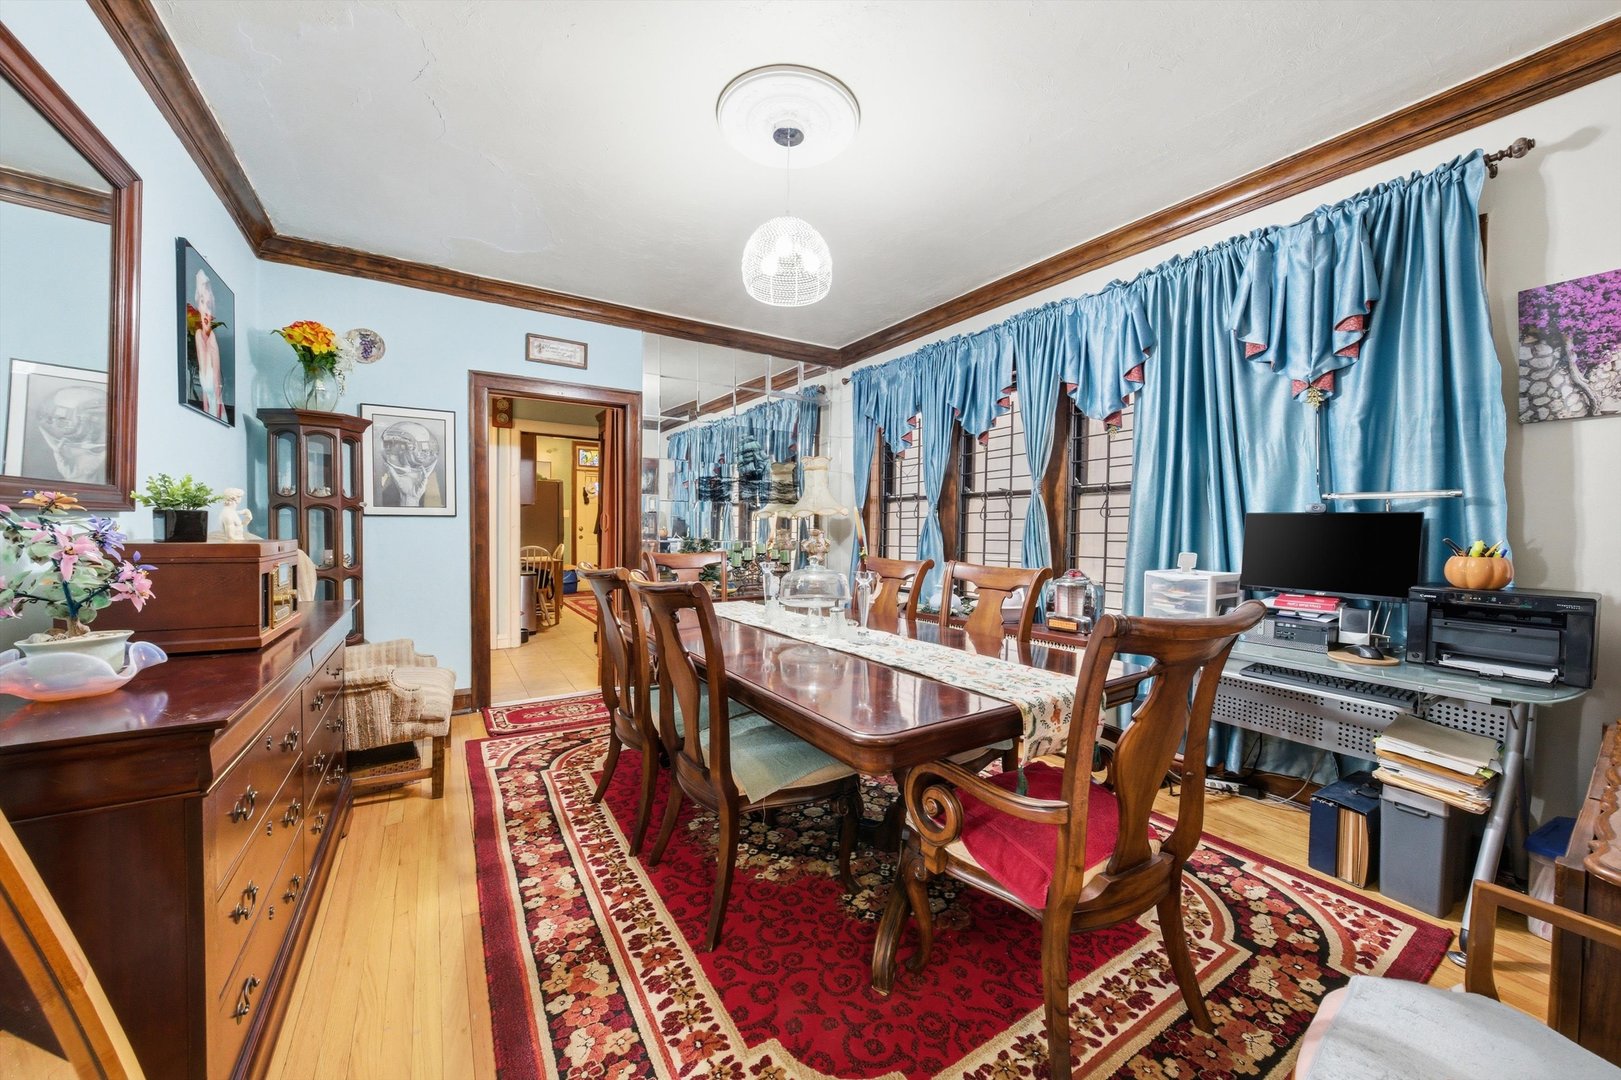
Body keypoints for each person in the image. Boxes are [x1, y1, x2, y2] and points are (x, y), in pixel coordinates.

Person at [192, 270, 227, 421]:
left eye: (208, 304)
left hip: (217, 410)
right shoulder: (199, 336)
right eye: (201, 302)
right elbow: (205, 390)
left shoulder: (212, 339)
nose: (206, 310)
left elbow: (217, 387)